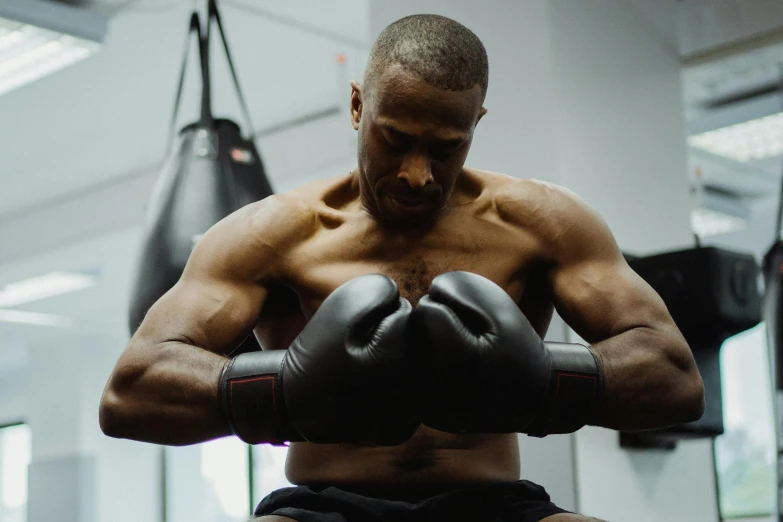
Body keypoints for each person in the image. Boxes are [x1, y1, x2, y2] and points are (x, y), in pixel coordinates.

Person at [99, 14, 705, 522]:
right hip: (321, 507)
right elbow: (131, 392)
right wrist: (288, 390)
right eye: (396, 138)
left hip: (491, 504)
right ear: (359, 107)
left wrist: (542, 380)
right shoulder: (275, 233)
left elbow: (675, 377)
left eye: (446, 147)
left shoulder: (542, 222)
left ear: (476, 125)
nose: (419, 174)